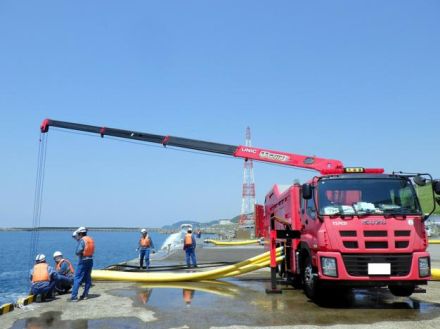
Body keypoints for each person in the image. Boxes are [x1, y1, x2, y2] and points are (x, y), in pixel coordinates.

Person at [70, 226, 95, 302]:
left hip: (83, 260)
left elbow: (78, 251)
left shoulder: (82, 240)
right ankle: (85, 295)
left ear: (80, 233)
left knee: (77, 278)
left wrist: (78, 253)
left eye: (78, 233)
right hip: (90, 260)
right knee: (88, 278)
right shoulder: (90, 239)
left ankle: (74, 297)